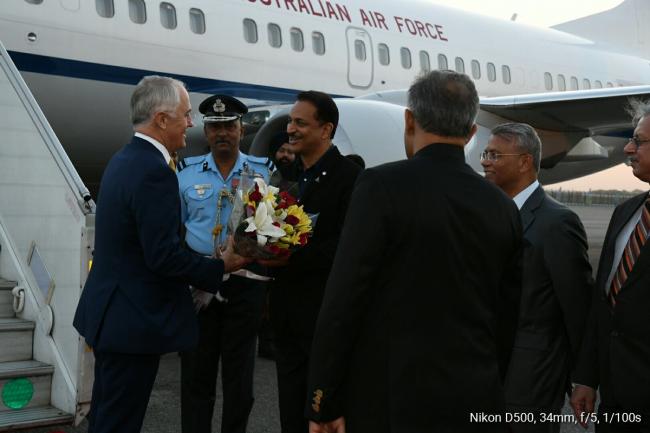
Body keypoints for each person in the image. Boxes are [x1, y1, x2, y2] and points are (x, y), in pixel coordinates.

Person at [305, 70, 523, 433]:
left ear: (409, 120)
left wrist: (323, 398)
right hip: (474, 398)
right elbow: (507, 319)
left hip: (391, 400)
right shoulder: (503, 206)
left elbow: (343, 300)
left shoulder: (380, 186)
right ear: (472, 132)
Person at [72, 76, 248, 433]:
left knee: (106, 418)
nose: (191, 123)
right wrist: (219, 267)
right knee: (119, 423)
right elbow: (162, 256)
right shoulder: (154, 171)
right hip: (132, 324)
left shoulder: (125, 159)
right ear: (162, 119)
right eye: (186, 114)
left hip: (114, 317)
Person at [481, 123, 593, 433]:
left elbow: (578, 308)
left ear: (524, 162)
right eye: (485, 154)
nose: (485, 162)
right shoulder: (487, 215)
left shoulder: (557, 223)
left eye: (494, 155)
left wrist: (584, 378)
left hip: (531, 381)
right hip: (484, 374)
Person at [264, 90, 361, 433]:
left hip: (323, 320)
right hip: (286, 318)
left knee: (322, 415)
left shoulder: (350, 179)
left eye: (300, 123)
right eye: (291, 121)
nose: (290, 129)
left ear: (326, 129)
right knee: (290, 413)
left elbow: (348, 248)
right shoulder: (288, 177)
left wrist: (290, 257)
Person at [176, 94, 271, 433]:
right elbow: (176, 228)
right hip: (199, 280)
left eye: (229, 126)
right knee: (196, 376)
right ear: (206, 131)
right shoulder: (185, 173)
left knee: (239, 379)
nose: (222, 133)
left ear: (241, 130)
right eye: (215, 127)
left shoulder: (263, 171)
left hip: (245, 282)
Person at [571, 100, 650, 432]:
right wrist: (587, 378)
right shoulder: (625, 213)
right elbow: (602, 305)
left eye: (639, 141)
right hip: (614, 402)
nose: (628, 149)